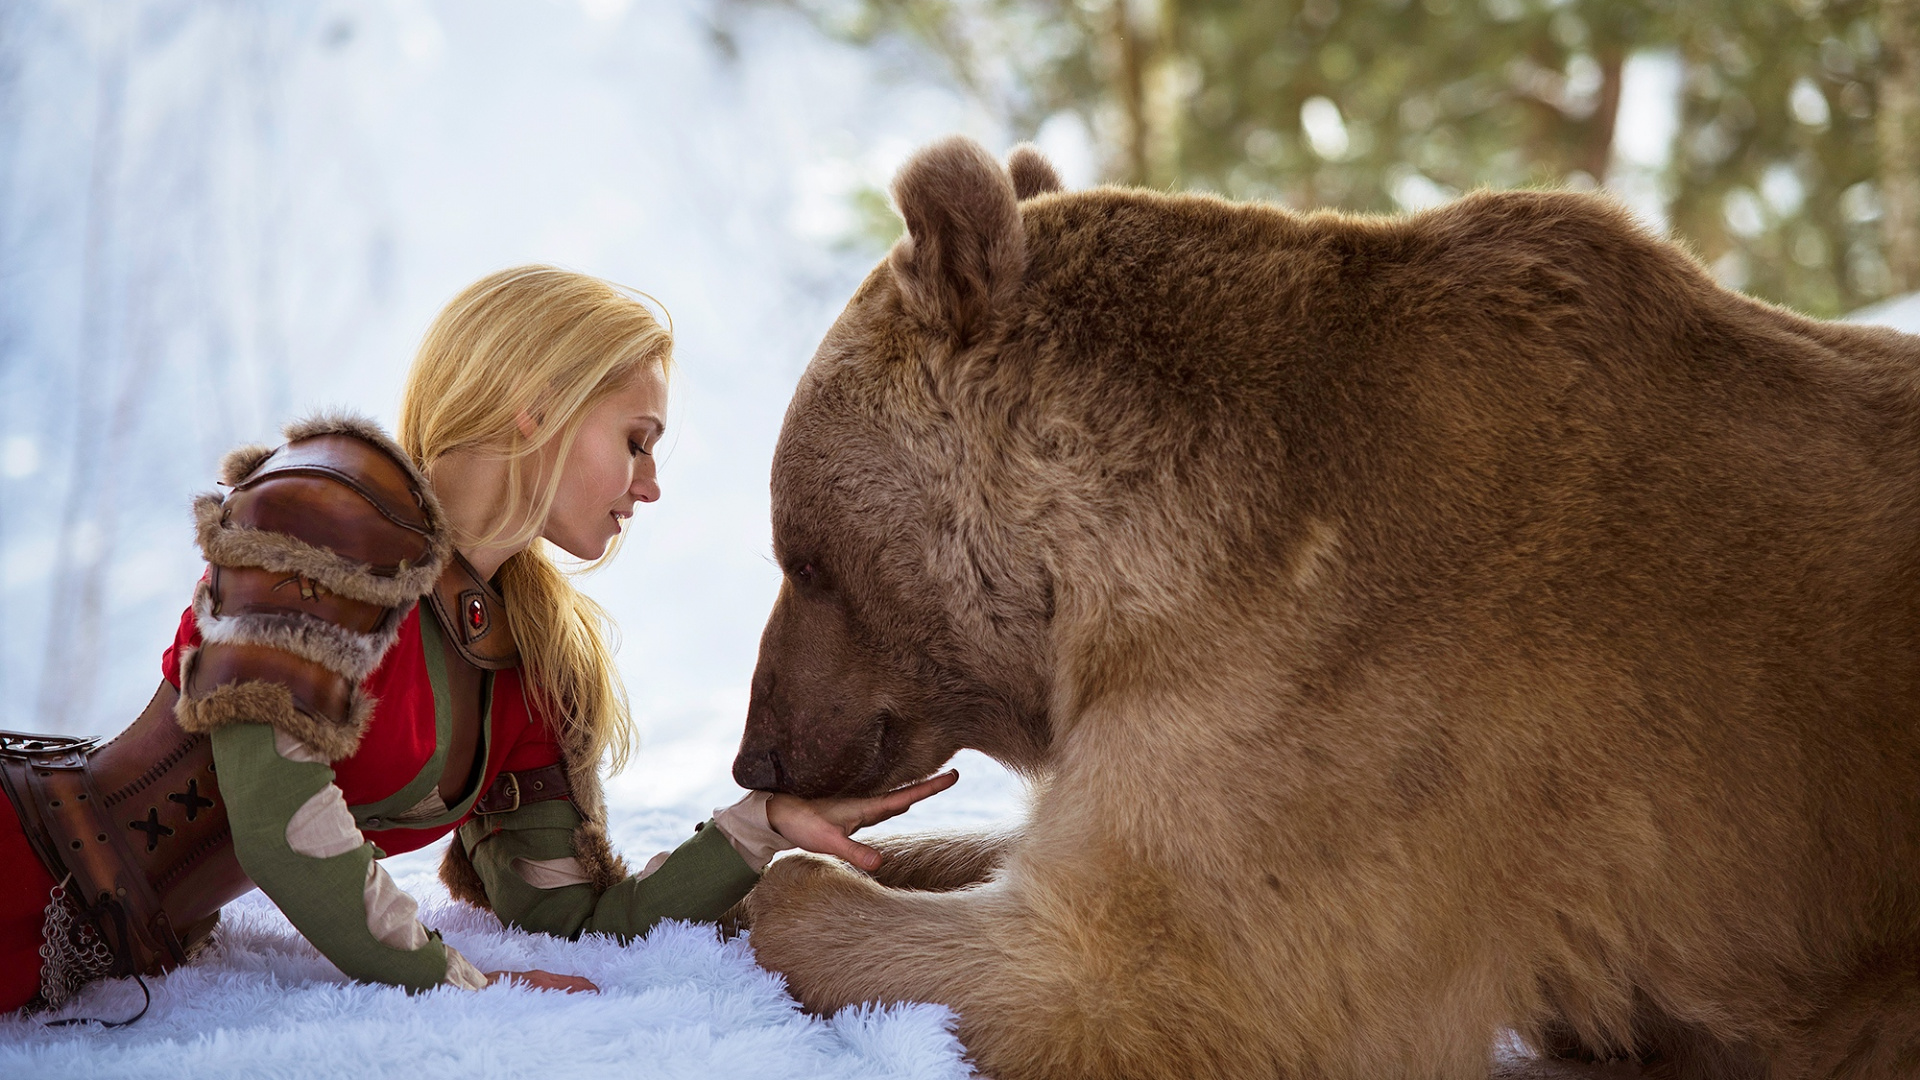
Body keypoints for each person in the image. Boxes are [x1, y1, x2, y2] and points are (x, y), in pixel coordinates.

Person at [0, 265, 955, 1012]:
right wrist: (454, 985)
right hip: (23, 861)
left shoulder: (525, 654)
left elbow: (569, 918)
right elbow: (276, 818)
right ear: (535, 405)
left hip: (105, 961)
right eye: (636, 438)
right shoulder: (320, 512)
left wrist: (764, 826)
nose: (652, 482)